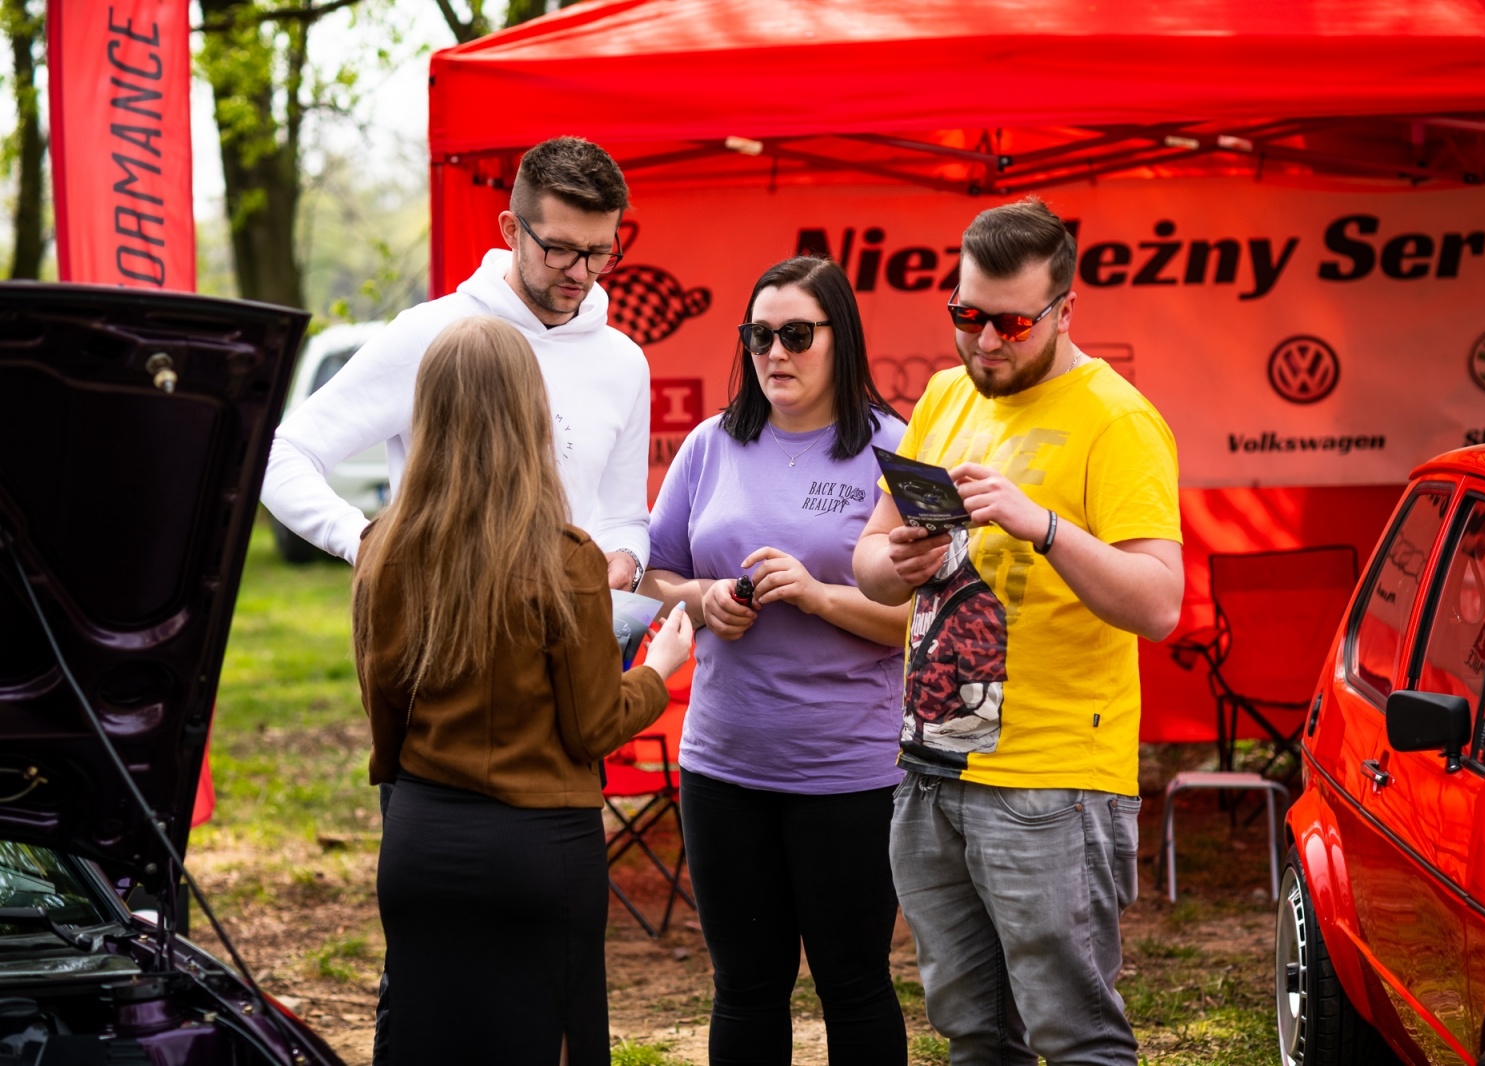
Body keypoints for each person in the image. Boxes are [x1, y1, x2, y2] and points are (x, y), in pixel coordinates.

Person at [853, 199, 1184, 1066]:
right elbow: (867, 566)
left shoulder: (1118, 421)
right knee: (971, 1035)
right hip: (932, 768)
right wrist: (902, 559)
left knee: (1074, 1036)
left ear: (1064, 311)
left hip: (1054, 784)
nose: (986, 343)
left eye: (1010, 323)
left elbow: (1159, 604)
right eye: (967, 316)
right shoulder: (943, 393)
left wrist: (1042, 526)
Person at [352, 316, 694, 1066]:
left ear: (428, 415)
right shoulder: (565, 558)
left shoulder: (382, 547)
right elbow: (595, 724)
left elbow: (384, 706)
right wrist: (657, 668)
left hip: (420, 841)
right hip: (537, 850)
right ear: (529, 416)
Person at [641, 256, 910, 1065]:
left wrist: (819, 595)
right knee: (746, 989)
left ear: (841, 339)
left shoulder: (891, 449)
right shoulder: (711, 443)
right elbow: (654, 572)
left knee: (854, 985)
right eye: (759, 335)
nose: (775, 352)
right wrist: (704, 598)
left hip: (850, 772)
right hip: (725, 765)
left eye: (796, 334)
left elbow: (920, 621)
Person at [262, 135, 651, 594]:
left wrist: (627, 559)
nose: (580, 272)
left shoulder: (624, 361)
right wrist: (364, 541)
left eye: (599, 252)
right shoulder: (430, 333)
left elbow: (625, 516)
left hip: (567, 643)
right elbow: (280, 454)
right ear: (511, 230)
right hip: (445, 641)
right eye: (560, 249)